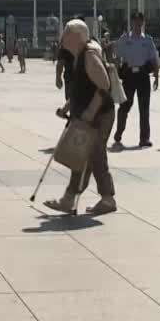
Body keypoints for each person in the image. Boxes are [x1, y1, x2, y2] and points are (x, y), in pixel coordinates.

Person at [44, 19, 117, 215]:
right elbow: (81, 89)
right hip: (85, 115)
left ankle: (107, 198)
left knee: (95, 155)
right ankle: (69, 199)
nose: (63, 36)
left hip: (100, 115)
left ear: (77, 36)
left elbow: (104, 85)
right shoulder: (78, 56)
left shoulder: (89, 55)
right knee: (79, 157)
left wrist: (91, 112)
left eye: (67, 32)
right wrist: (67, 107)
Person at [114, 11, 160, 149]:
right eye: (135, 22)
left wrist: (156, 77)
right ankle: (119, 132)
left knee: (144, 108)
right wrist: (115, 76)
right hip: (128, 75)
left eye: (140, 22)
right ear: (131, 23)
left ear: (143, 23)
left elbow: (154, 59)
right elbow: (117, 58)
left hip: (143, 75)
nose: (138, 25)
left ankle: (144, 138)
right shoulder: (124, 39)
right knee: (125, 106)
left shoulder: (147, 40)